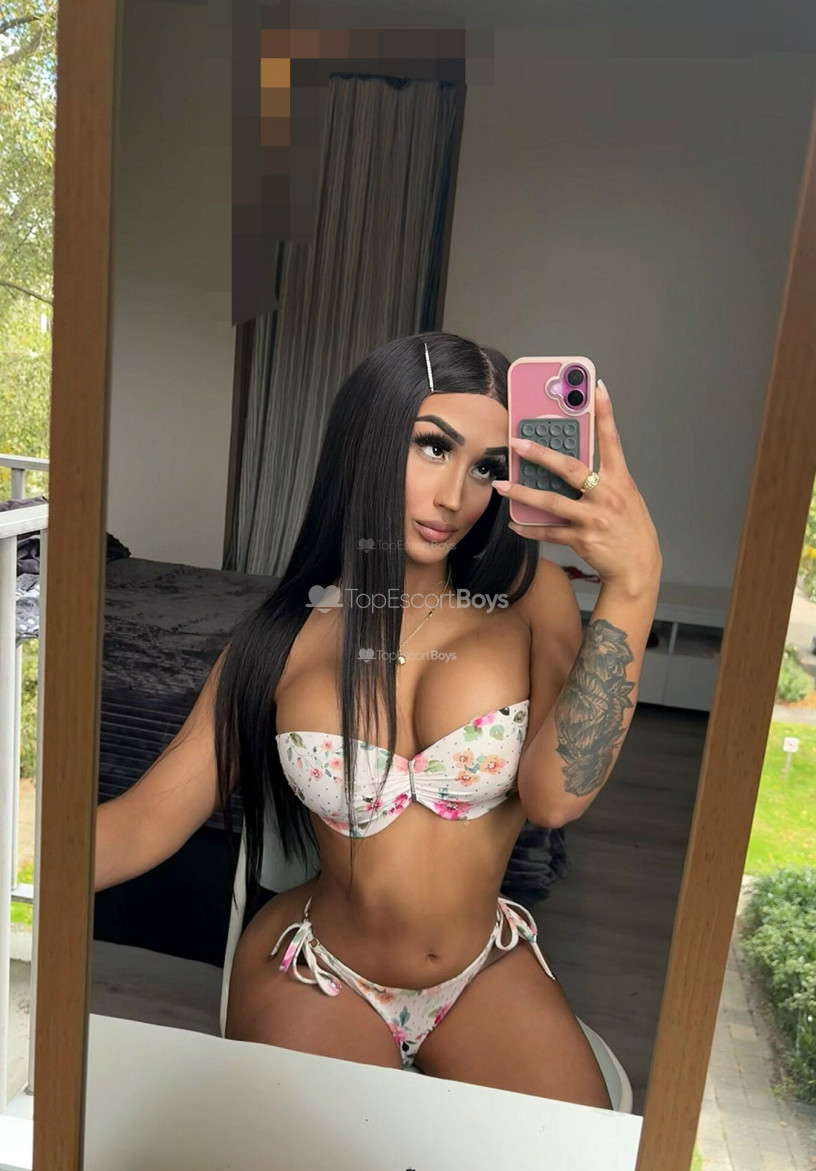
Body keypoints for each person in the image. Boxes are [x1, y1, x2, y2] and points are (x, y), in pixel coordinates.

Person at [95, 331, 661, 1107]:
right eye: (434, 447)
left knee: (577, 1160)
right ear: (369, 438)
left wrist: (635, 584)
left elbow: (557, 797)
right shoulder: (280, 638)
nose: (456, 497)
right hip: (321, 971)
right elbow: (140, 824)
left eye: (487, 467)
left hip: (483, 972)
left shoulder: (535, 600)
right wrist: (24, 863)